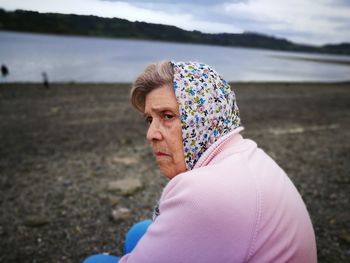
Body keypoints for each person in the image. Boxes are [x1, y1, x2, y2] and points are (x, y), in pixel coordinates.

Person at [84, 61, 317, 262]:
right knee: (138, 232)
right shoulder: (247, 153)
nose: (151, 134)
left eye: (167, 116)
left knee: (95, 261)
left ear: (205, 118)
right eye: (149, 119)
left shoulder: (203, 193)